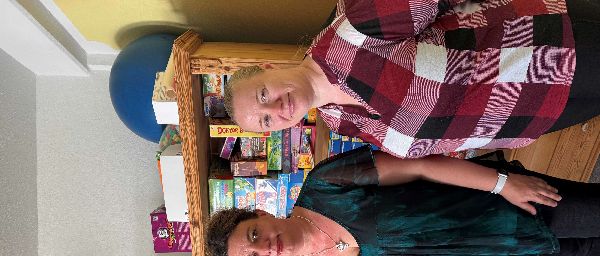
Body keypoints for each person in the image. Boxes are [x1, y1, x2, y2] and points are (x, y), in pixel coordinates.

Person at [206, 147, 600, 256]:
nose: (266, 249)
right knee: (585, 250)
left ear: (260, 212)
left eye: (253, 235)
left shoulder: (325, 184)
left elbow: (422, 167)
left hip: (509, 210)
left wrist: (503, 183)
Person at [223, 0, 600, 157]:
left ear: (270, 69)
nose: (276, 108)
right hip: (528, 118)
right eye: (266, 121)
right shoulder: (337, 119)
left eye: (262, 95)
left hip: (546, 56)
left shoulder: (352, 33)